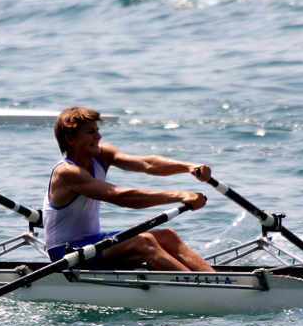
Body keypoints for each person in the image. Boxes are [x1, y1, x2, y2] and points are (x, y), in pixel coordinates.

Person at [43, 106, 214, 272]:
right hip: (64, 253)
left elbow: (147, 164)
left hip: (92, 241)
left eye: (97, 130)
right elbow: (121, 197)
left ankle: (215, 281)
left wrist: (189, 166)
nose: (98, 136)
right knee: (144, 241)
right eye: (90, 132)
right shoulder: (67, 172)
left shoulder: (103, 155)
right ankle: (200, 290)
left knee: (167, 236)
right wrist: (180, 195)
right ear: (70, 139)